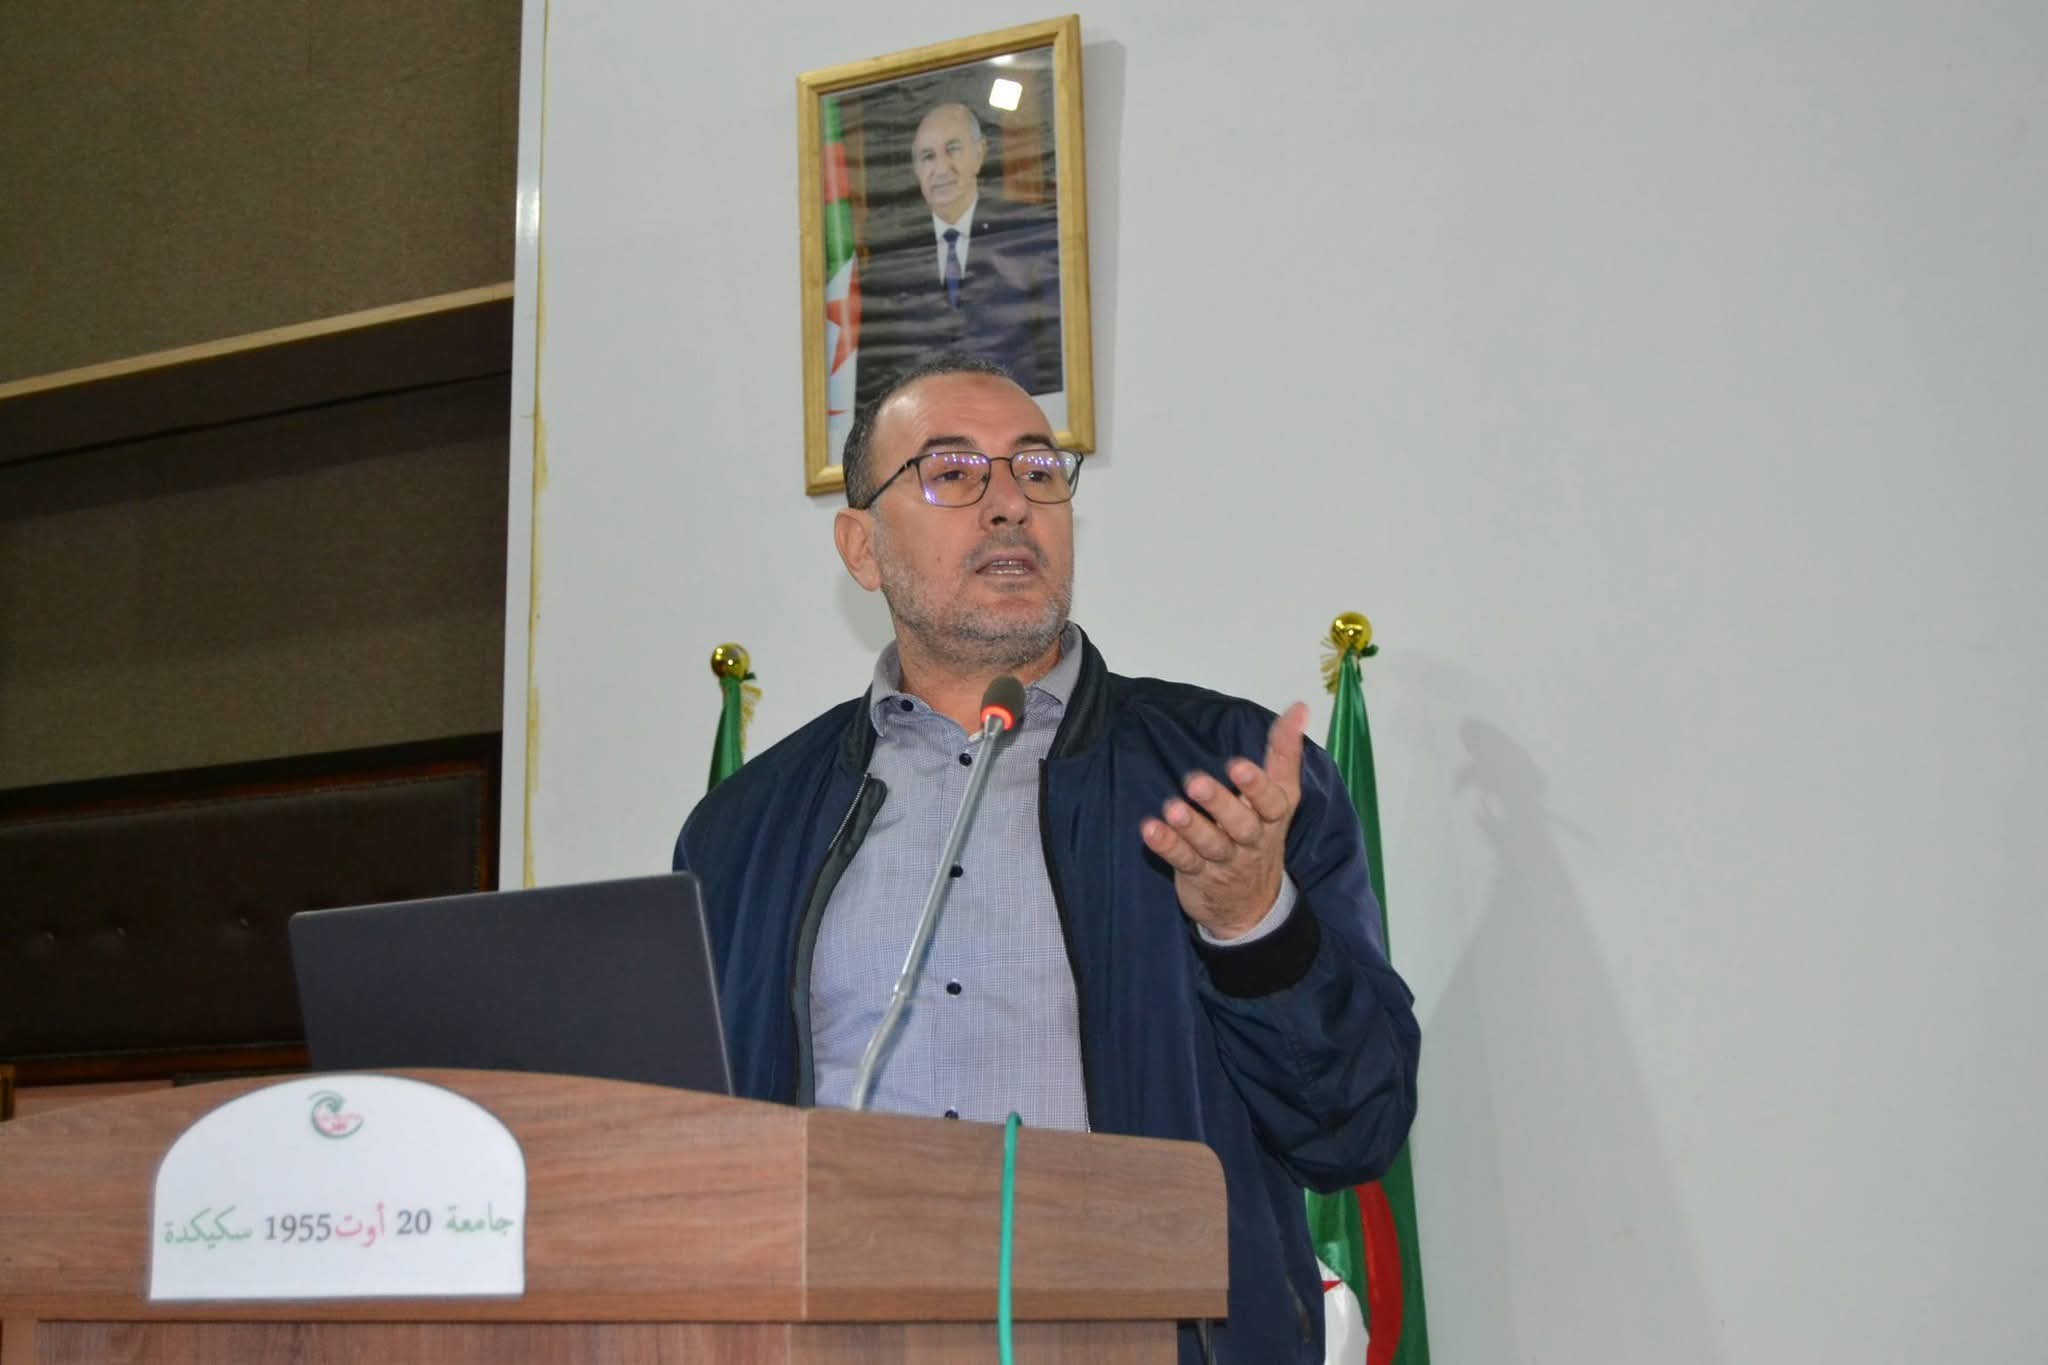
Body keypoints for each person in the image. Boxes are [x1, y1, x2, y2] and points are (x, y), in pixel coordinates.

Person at [673, 355, 1420, 1364]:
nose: (1009, 504)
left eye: (1035, 469)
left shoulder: (1228, 778)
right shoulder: (744, 829)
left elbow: (1354, 1128)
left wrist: (1254, 925)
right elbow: (701, 1158)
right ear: (861, 545)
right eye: (951, 472)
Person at [852, 102, 1064, 411]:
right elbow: (873, 381)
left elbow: (1054, 357)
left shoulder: (1026, 237)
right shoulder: (891, 260)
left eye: (953, 149)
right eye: (928, 157)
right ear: (916, 169)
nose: (941, 169)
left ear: (980, 153)